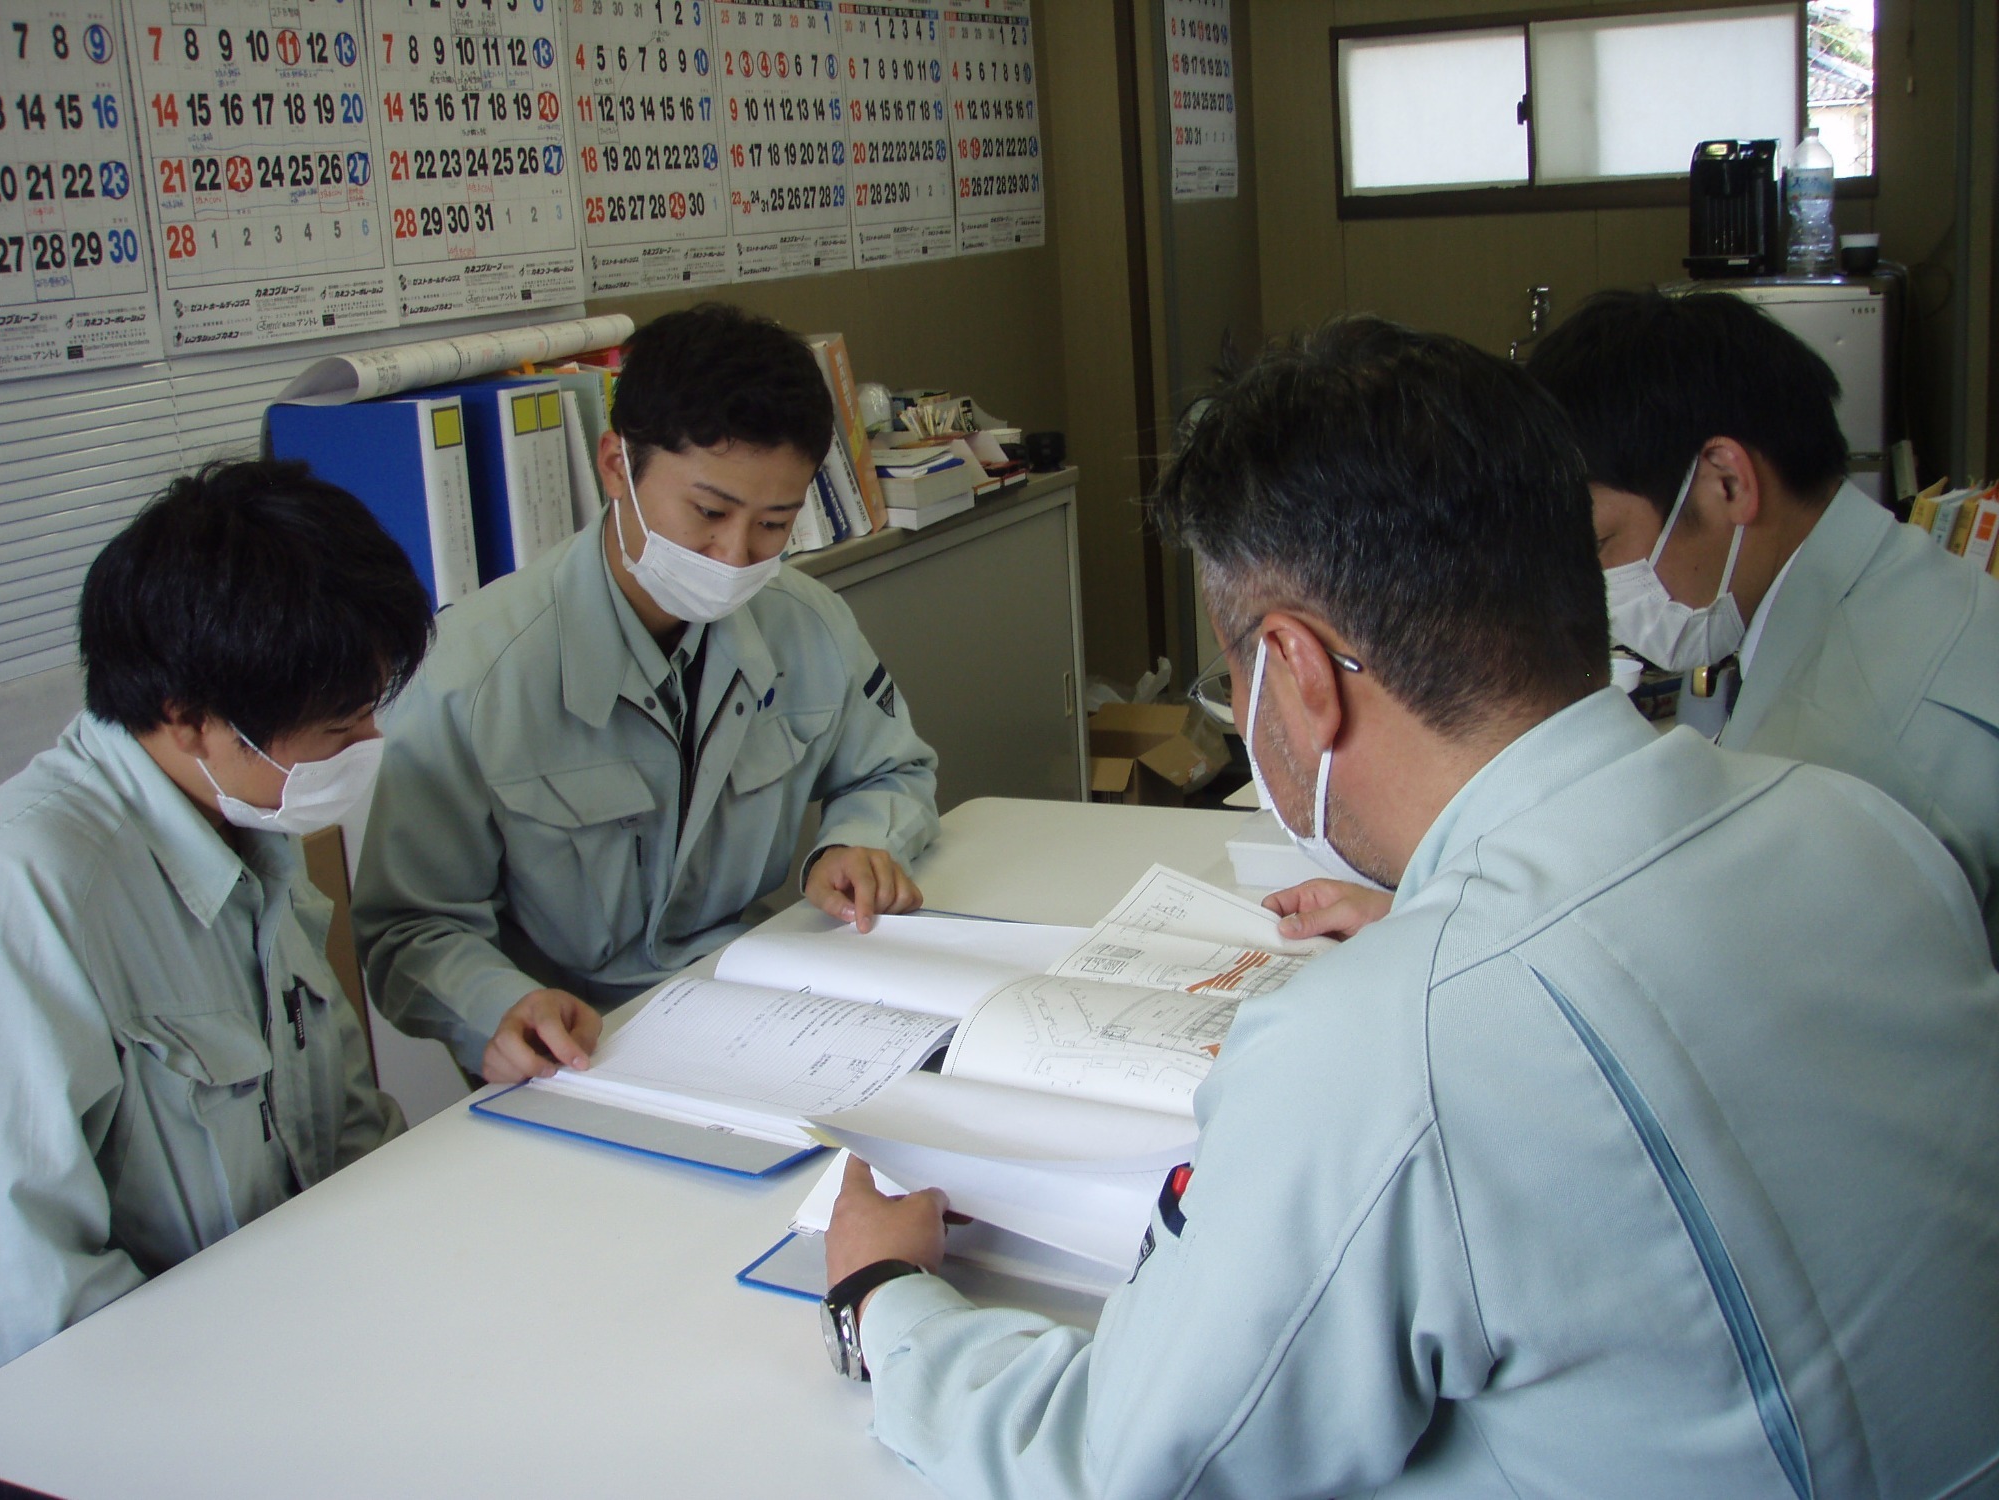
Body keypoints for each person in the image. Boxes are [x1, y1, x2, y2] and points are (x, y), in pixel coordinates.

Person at [822, 319, 1999, 1498]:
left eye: (1232, 671)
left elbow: (1128, 1467)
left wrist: (885, 1305)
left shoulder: (1386, 1047)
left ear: (1298, 669)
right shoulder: (1860, 825)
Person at [352, 305, 940, 1084]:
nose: (734, 556)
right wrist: (498, 1005)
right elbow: (409, 929)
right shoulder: (473, 674)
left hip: (760, 1007)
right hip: (583, 1048)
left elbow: (892, 769)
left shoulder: (808, 625)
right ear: (614, 466)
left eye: (774, 523)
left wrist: (857, 842)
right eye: (708, 511)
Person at [0, 460, 429, 1366]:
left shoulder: (252, 828)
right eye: (339, 729)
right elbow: (41, 1303)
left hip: (318, 1335)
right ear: (190, 718)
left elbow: (349, 1134)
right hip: (169, 1399)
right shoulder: (34, 895)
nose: (369, 747)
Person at [1527, 287, 1999, 960]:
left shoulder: (1842, 750)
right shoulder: (1899, 583)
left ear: (1726, 482)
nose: (1597, 585)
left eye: (1602, 544)